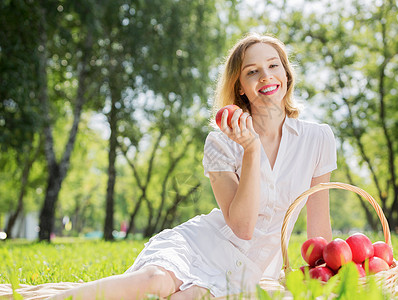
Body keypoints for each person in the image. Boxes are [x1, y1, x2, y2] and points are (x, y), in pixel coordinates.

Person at [50, 33, 337, 300]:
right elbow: (243, 228)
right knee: (155, 282)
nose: (266, 76)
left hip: (249, 273)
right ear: (240, 87)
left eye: (274, 65)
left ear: (287, 74)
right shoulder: (220, 142)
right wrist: (251, 149)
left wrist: (330, 275)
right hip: (200, 246)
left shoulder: (318, 138)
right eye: (252, 71)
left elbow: (318, 231)